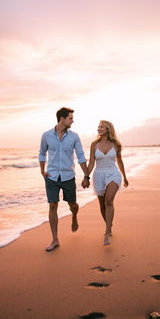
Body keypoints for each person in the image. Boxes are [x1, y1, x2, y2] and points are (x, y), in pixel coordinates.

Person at [39, 107, 90, 251]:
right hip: (52, 176)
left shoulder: (74, 136)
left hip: (68, 176)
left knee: (73, 205)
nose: (73, 121)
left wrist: (86, 176)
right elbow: (42, 153)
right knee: (53, 205)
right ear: (62, 119)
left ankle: (74, 215)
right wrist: (42, 171)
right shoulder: (46, 135)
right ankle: (55, 239)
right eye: (70, 118)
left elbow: (80, 156)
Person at [87, 120, 128, 245]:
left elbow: (119, 161)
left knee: (109, 200)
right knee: (102, 205)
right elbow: (92, 162)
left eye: (101, 127)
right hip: (98, 174)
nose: (98, 129)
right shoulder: (94, 144)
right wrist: (85, 176)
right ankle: (109, 224)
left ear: (108, 129)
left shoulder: (116, 144)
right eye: (98, 126)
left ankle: (107, 232)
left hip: (113, 173)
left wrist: (125, 177)